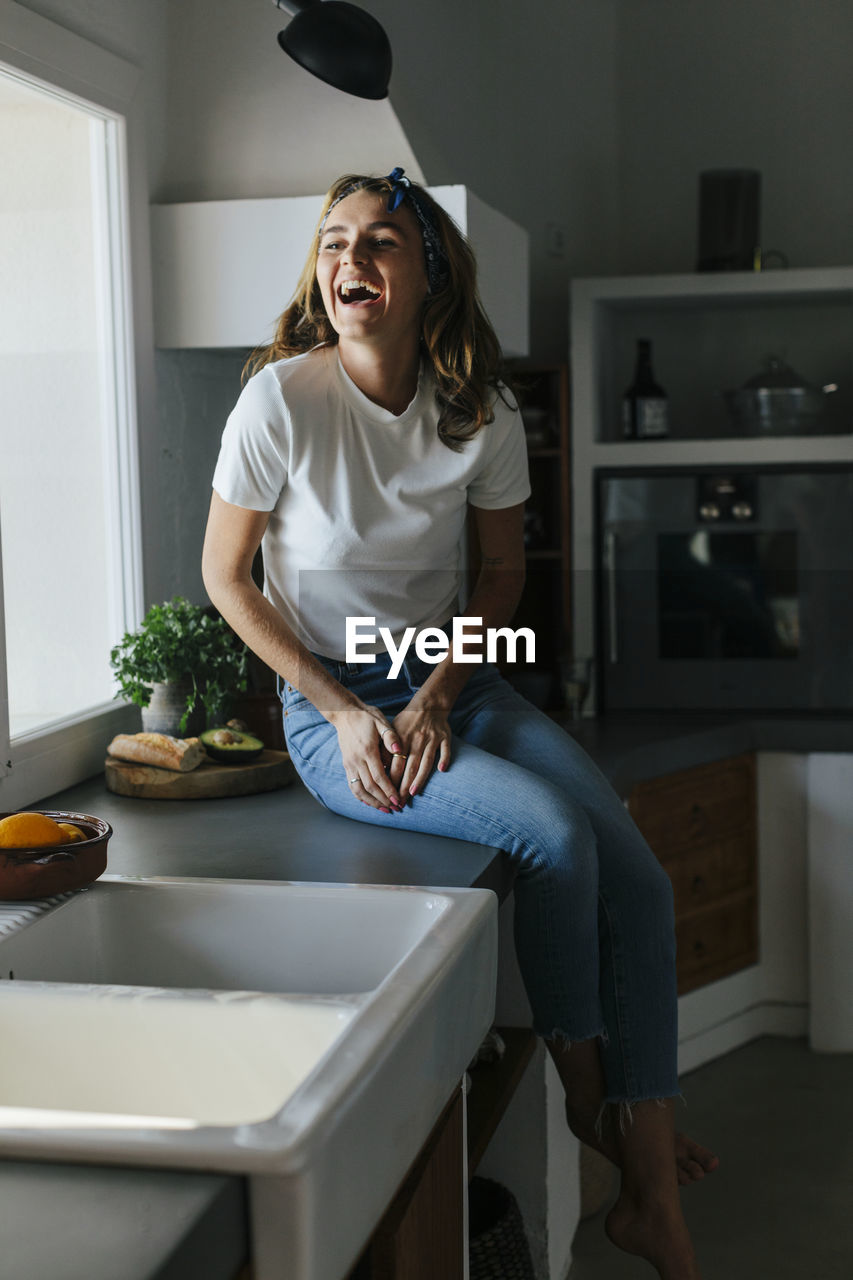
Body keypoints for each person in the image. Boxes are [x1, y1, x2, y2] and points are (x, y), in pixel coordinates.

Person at [202, 166, 717, 1279]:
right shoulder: (281, 401)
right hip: (330, 707)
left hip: (453, 683)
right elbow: (226, 578)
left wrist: (438, 689)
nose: (349, 261)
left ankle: (648, 1182)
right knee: (557, 831)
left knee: (641, 877)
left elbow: (495, 574)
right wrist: (341, 710)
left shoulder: (478, 409)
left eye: (379, 242)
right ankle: (599, 1109)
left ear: (430, 273)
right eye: (334, 243)